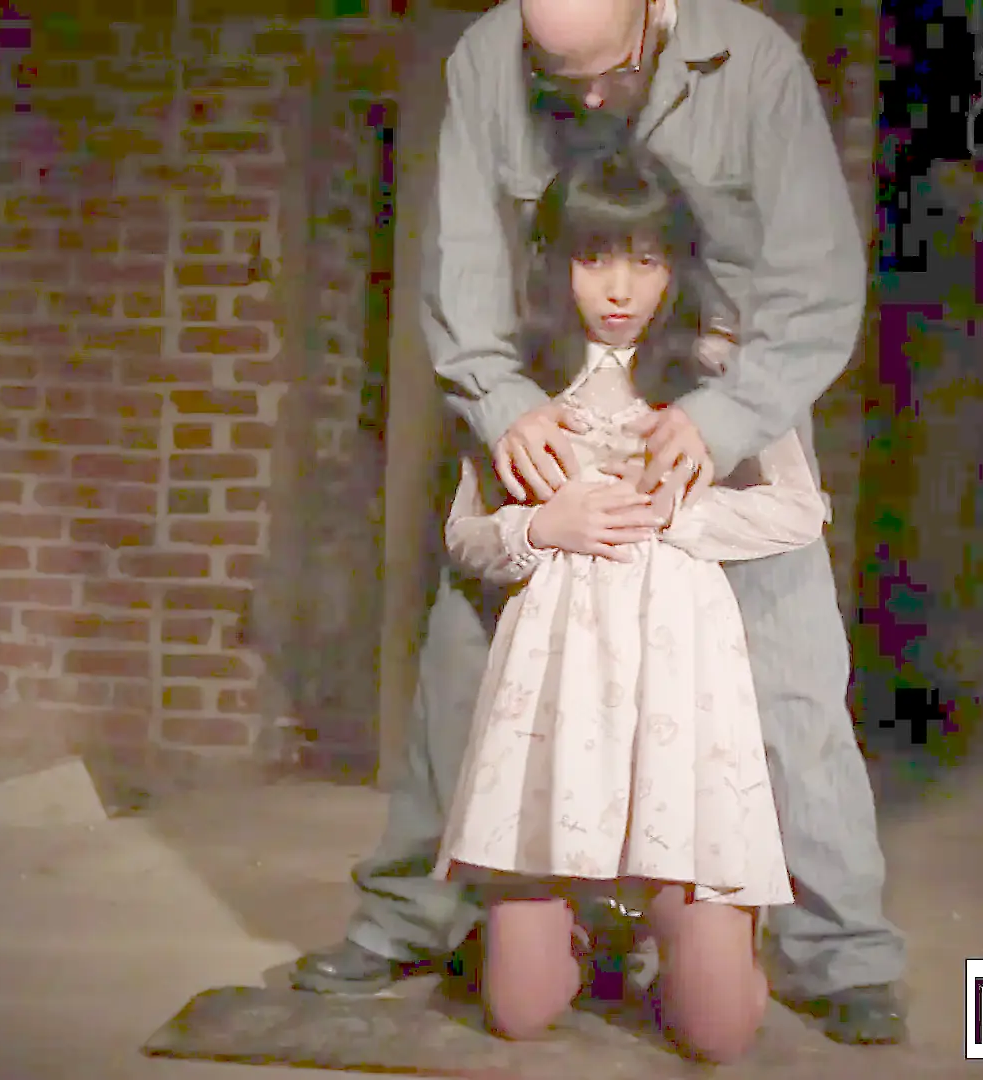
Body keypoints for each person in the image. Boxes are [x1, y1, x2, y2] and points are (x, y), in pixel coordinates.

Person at [291, 0, 910, 1044]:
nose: (581, 100)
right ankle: (413, 913)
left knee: (789, 678)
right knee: (469, 658)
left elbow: (816, 287)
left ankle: (838, 951)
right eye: (556, 79)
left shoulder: (754, 63)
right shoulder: (488, 58)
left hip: (729, 390)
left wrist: (722, 425)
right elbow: (463, 258)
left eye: (603, 74)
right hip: (551, 390)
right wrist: (501, 403)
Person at [437, 145, 817, 1062]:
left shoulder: (719, 372)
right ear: (555, 263)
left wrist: (680, 515)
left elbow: (800, 509)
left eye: (645, 262)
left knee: (717, 1032)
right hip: (558, 670)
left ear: (675, 266)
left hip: (678, 662)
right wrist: (544, 526)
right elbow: (464, 534)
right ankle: (582, 927)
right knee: (520, 1011)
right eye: (593, 258)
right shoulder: (522, 380)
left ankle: (683, 932)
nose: (618, 289)